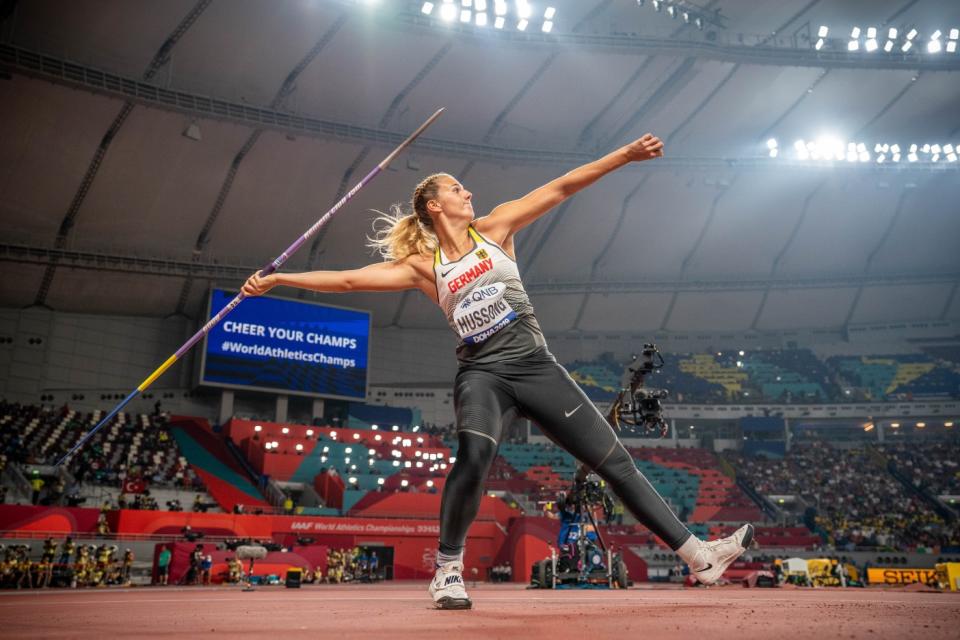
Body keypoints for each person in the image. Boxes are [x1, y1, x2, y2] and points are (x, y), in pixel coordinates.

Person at [242, 133, 753, 610]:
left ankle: (699, 557)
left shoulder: (497, 227)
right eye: (456, 188)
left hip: (535, 366)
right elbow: (351, 280)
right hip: (483, 373)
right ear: (434, 206)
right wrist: (278, 278)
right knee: (475, 453)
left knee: (615, 464)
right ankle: (447, 570)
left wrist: (623, 156)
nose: (469, 192)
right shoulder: (426, 265)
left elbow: (561, 187)